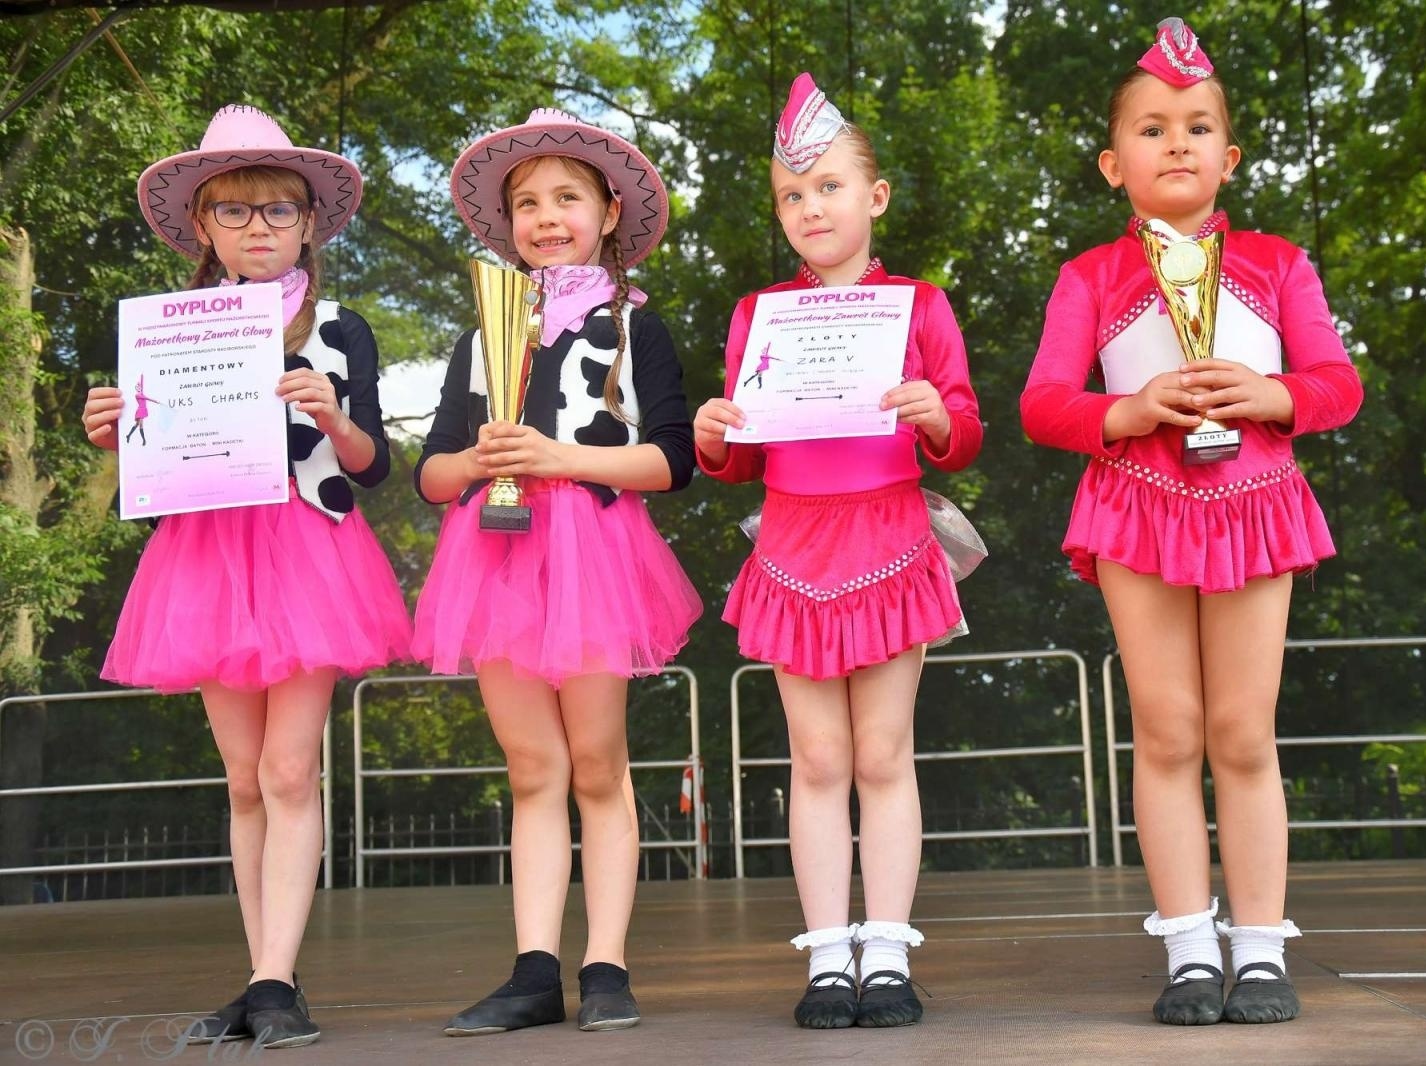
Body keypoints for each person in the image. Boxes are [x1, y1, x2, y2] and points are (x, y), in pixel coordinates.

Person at [1020, 18, 1364, 1025]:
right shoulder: (1089, 275)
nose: (1177, 142)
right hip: (1136, 506)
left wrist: (1273, 394)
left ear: (1230, 156)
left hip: (1255, 505)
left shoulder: (1279, 261)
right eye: (1152, 128)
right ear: (1112, 164)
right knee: (1167, 731)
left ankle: (1258, 950)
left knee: (1242, 733)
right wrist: (1125, 412)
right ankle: (1188, 950)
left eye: (1198, 126)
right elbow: (1043, 404)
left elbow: (1338, 384)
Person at [82, 104, 412, 1048]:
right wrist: (115, 435)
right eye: (234, 210)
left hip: (310, 550)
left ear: (310, 224)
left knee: (288, 767)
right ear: (203, 226)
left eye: (278, 209)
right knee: (241, 779)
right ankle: (269, 974)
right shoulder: (163, 331)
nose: (257, 226)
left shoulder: (341, 328)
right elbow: (153, 477)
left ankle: (273, 982)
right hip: (206, 556)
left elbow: (373, 466)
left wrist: (333, 414)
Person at [694, 73, 982, 1029]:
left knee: (883, 753)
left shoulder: (922, 306)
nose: (810, 206)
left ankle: (887, 954)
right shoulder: (758, 315)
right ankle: (827, 958)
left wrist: (938, 416)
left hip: (890, 537)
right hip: (791, 545)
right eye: (792, 194)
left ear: (875, 196)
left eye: (828, 186)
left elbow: (965, 431)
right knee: (816, 758)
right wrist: (715, 434)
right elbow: (743, 459)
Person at [411, 108, 701, 1035]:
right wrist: (479, 460)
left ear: (608, 212)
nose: (546, 217)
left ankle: (606, 967)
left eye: (567, 198)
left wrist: (559, 459)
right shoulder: (484, 336)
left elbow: (675, 459)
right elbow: (430, 474)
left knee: (597, 764)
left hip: (594, 556)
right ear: (507, 224)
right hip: (494, 558)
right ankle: (534, 971)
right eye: (527, 203)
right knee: (532, 766)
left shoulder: (636, 328)